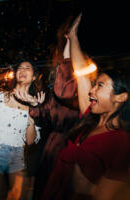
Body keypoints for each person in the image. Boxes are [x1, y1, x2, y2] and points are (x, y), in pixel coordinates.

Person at [41, 14, 130, 200]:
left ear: (121, 96)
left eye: (100, 86)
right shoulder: (89, 118)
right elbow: (81, 74)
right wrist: (73, 36)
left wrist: (87, 188)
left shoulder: (122, 143)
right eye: (94, 84)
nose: (91, 91)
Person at [14, 25, 80, 200]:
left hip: (65, 148)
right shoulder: (50, 93)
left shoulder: (77, 85)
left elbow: (65, 90)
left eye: (28, 68)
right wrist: (35, 104)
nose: (53, 56)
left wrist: (70, 40)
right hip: (49, 149)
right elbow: (44, 113)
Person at [0, 59, 42, 200]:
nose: (22, 70)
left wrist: (32, 115)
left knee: (17, 196)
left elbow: (30, 141)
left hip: (18, 152)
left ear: (34, 76)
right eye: (19, 68)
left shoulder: (36, 105)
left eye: (27, 68)